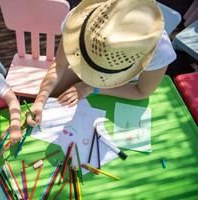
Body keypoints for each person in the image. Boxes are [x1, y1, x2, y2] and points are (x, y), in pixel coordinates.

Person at [27, 0, 176, 126]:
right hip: (82, 72)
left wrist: (91, 88)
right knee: (51, 97)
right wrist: (40, 100)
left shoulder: (159, 50)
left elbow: (141, 92)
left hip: (125, 88)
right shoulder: (79, 21)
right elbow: (59, 64)